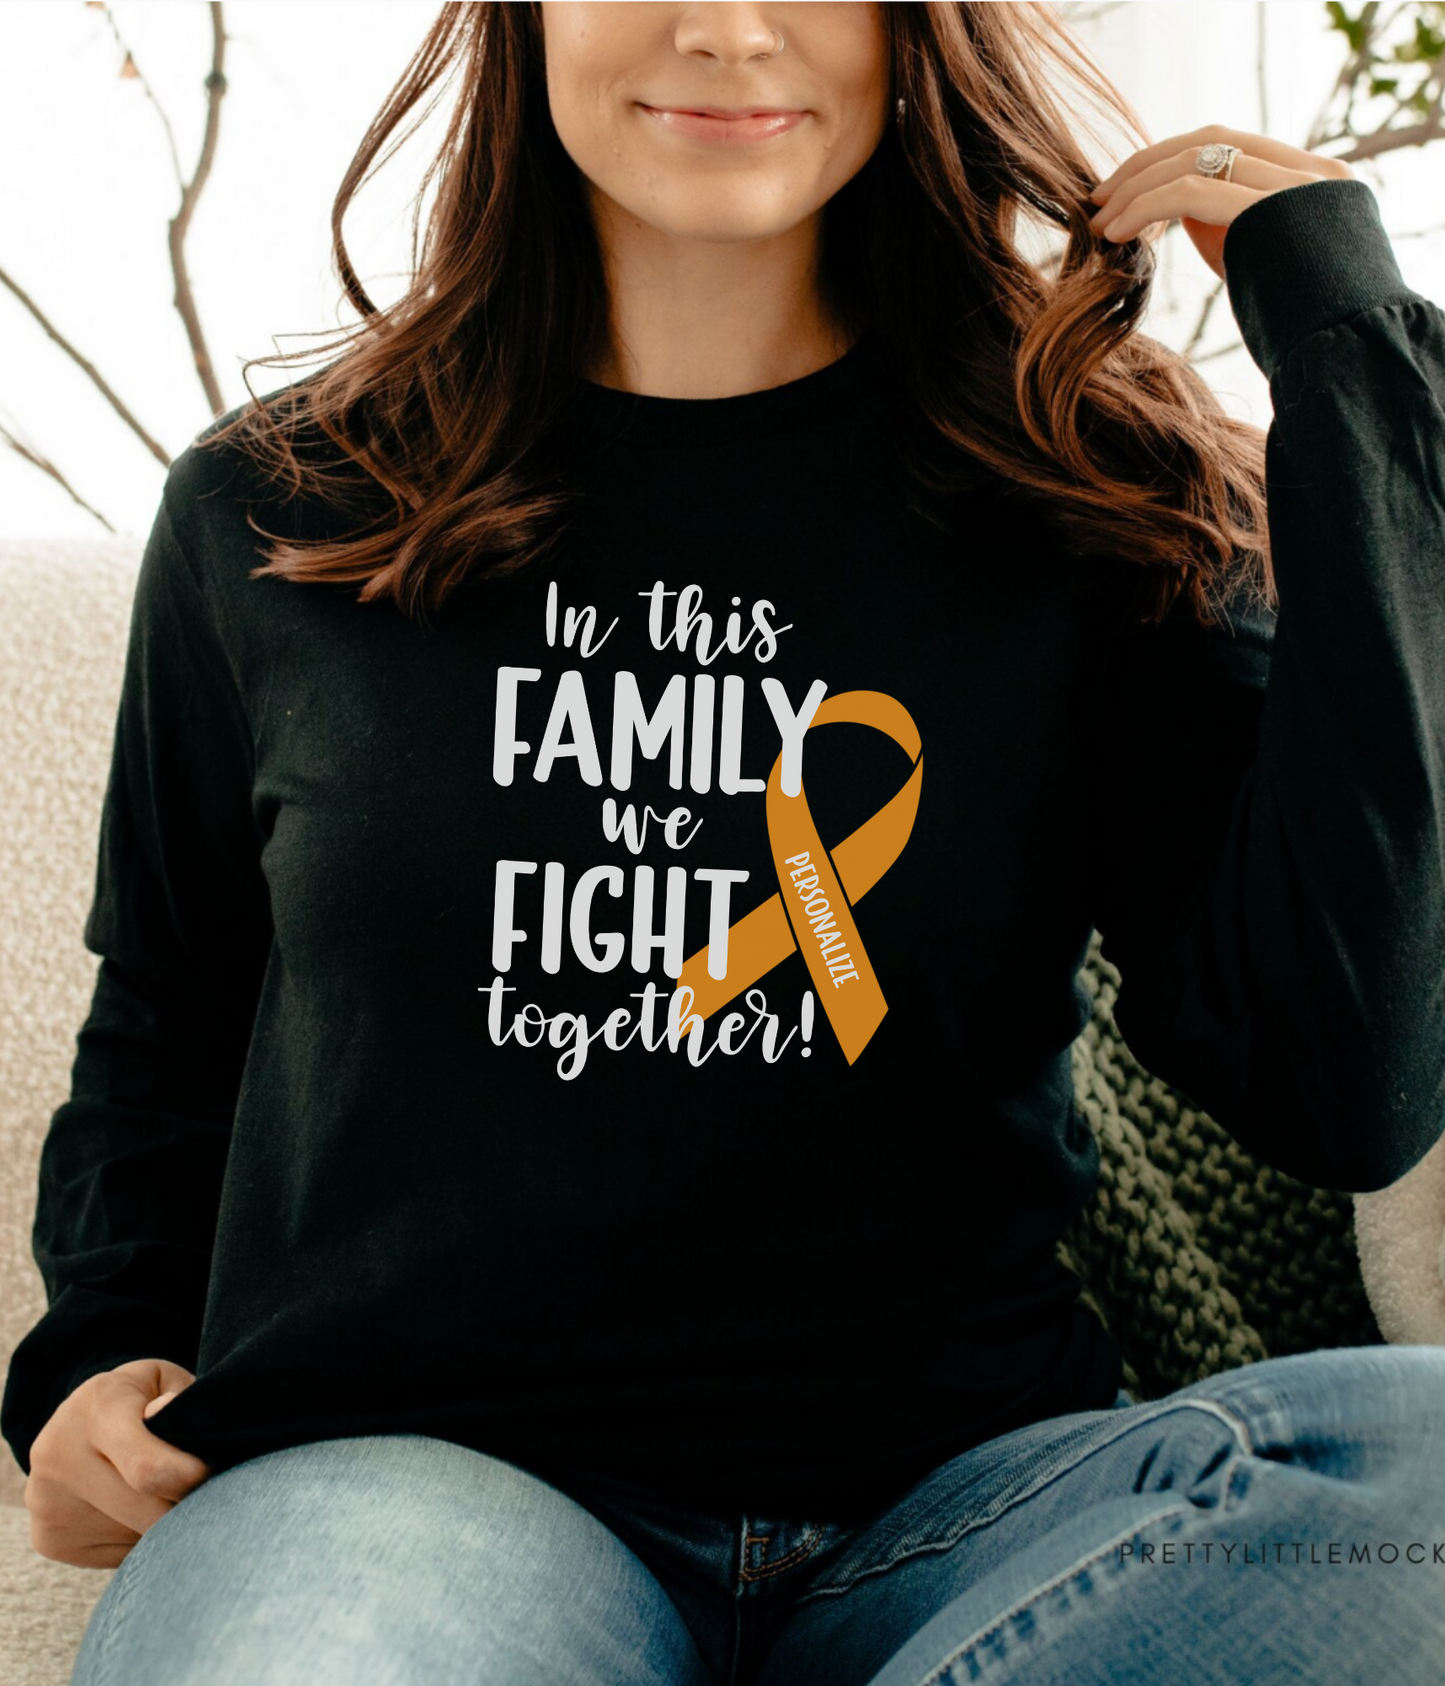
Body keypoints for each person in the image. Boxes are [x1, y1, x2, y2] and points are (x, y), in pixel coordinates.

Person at [5, 3, 1445, 1682]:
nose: (727, 29)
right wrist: (88, 1359)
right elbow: (173, 1015)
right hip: (420, 1497)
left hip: (969, 1528)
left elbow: (1352, 1074)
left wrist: (1351, 344)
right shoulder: (287, 509)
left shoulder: (1089, 503)